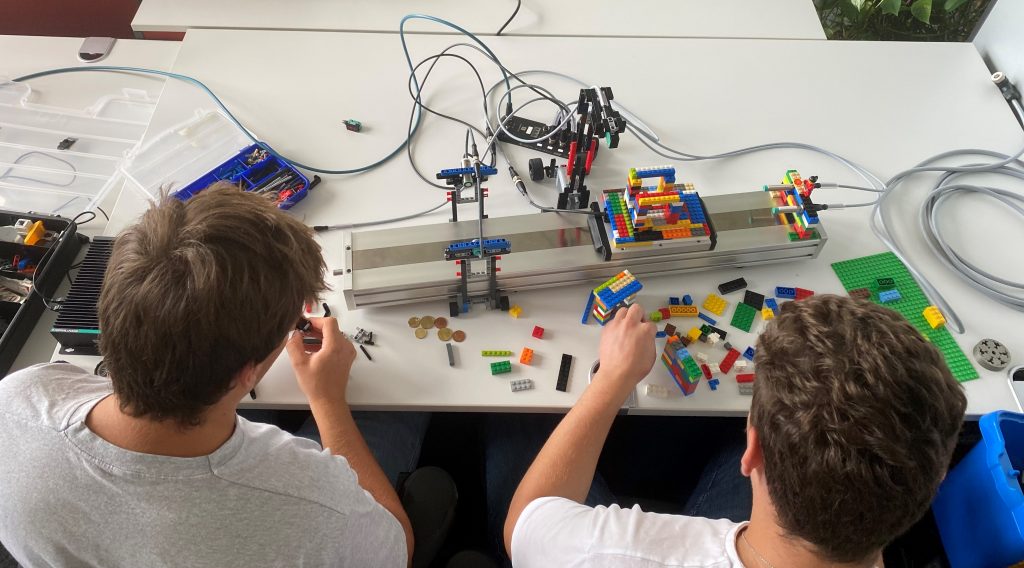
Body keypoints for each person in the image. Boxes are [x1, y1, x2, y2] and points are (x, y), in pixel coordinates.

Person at [0, 183, 431, 567]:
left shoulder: (19, 397)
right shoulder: (315, 508)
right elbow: (397, 547)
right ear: (247, 374)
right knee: (394, 412)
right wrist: (327, 401)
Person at [503, 294, 967, 567]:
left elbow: (524, 525)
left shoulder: (617, 553)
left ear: (755, 453)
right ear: (937, 477)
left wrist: (610, 380)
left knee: (519, 426)